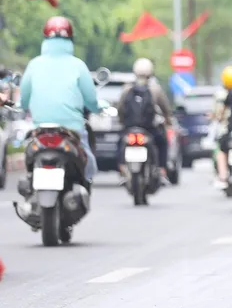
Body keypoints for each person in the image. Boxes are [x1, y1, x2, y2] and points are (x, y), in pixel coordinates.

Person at [18, 17, 100, 185]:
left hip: (40, 129)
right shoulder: (78, 66)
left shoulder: (34, 65)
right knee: (88, 166)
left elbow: (24, 101)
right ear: (70, 39)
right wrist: (99, 108)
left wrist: (21, 107)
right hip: (72, 130)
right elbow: (91, 101)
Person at [117, 57, 174, 181]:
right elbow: (165, 108)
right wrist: (168, 121)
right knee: (162, 143)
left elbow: (120, 108)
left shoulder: (127, 89)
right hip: (149, 128)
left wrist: (122, 122)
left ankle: (121, 167)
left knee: (120, 141)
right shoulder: (155, 89)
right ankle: (161, 170)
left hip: (130, 128)